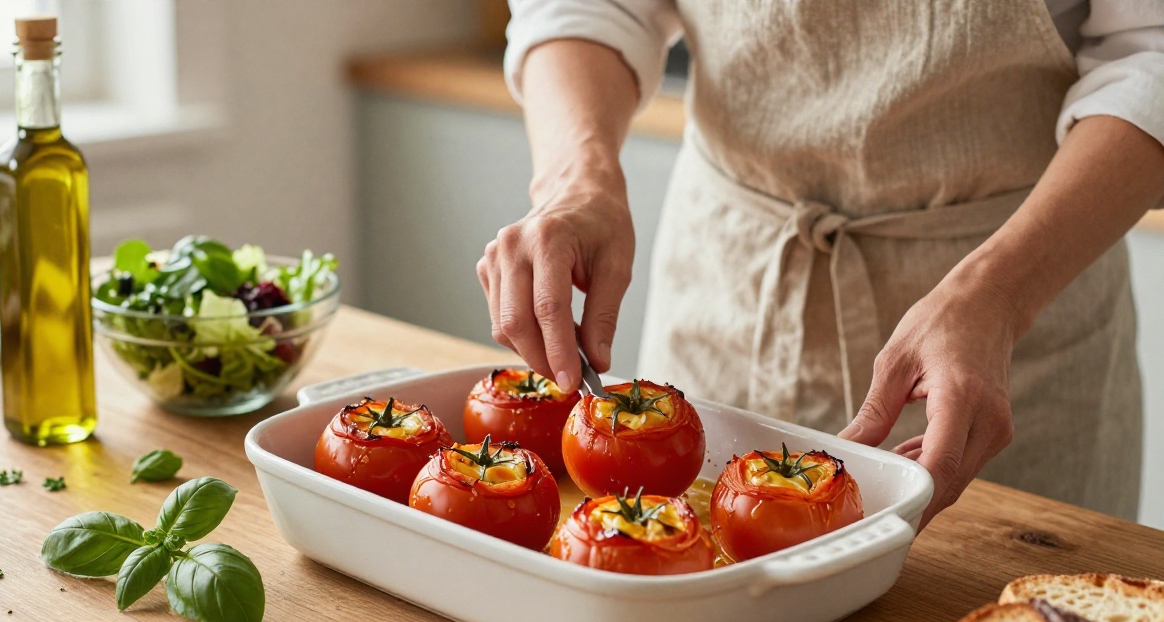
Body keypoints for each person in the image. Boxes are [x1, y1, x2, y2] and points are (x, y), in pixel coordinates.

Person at [476, 0, 1164, 526]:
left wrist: (1001, 293)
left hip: (1020, 293)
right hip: (731, 282)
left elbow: (1151, 57)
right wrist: (576, 180)